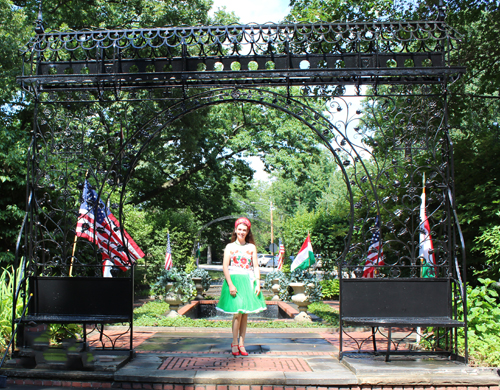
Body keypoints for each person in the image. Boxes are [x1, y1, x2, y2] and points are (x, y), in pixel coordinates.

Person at [216, 217, 266, 356]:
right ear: (235, 230)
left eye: (244, 230)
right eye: (239, 229)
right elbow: (225, 266)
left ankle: (242, 343)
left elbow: (255, 266)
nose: (242, 232)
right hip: (235, 280)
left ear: (248, 231)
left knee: (245, 314)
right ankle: (234, 342)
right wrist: (230, 284)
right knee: (237, 313)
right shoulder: (230, 247)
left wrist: (258, 283)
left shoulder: (251, 247)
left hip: (248, 280)